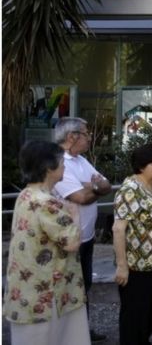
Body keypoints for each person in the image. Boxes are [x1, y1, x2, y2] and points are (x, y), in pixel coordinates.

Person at [3, 141, 90, 345]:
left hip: (26, 288)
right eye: (61, 162)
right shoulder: (47, 202)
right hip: (49, 292)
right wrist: (74, 214)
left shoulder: (25, 195)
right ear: (49, 168)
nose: (64, 167)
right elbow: (72, 242)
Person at [53, 117, 111, 343]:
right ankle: (67, 334)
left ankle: (82, 331)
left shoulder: (81, 160)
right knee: (67, 287)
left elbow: (106, 184)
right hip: (67, 241)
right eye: (86, 134)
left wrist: (92, 186)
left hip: (86, 237)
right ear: (71, 137)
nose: (90, 138)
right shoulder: (58, 161)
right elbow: (80, 197)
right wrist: (93, 186)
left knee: (84, 285)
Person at [113, 144, 152, 345]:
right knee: (134, 317)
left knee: (148, 315)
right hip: (136, 265)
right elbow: (119, 229)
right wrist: (122, 266)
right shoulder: (130, 190)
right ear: (141, 166)